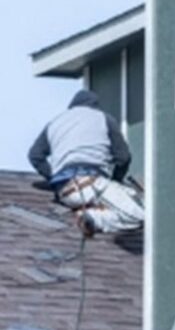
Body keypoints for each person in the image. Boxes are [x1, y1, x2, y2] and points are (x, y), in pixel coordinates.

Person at [28, 90, 144, 235]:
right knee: (140, 215)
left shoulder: (55, 123)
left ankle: (94, 212)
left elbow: (35, 156)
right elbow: (123, 157)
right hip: (92, 183)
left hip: (66, 193)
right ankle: (94, 219)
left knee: (131, 196)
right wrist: (115, 180)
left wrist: (54, 177)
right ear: (95, 106)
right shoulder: (103, 118)